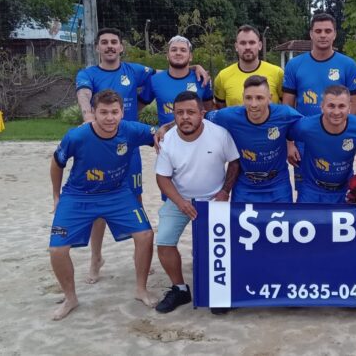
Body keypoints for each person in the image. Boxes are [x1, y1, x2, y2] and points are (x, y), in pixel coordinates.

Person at [75, 28, 210, 283]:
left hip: (129, 146)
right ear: (97, 48)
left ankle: (142, 257)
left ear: (121, 46)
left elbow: (169, 72)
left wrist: (196, 67)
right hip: (99, 144)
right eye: (104, 43)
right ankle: (96, 257)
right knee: (98, 204)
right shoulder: (88, 74)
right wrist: (88, 117)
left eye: (114, 42)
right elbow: (83, 94)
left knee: (135, 199)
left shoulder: (136, 71)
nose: (110, 47)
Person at [48, 90, 158, 320]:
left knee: (145, 234)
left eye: (114, 112)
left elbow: (160, 133)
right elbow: (57, 163)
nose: (110, 117)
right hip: (79, 195)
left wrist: (164, 134)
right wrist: (56, 196)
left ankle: (140, 288)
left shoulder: (131, 130)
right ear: (93, 113)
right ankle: (71, 298)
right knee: (57, 249)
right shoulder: (77, 136)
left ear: (122, 112)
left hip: (117, 193)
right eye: (104, 112)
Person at [154, 91, 240, 315]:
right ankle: (180, 288)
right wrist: (180, 202)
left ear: (202, 114)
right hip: (181, 199)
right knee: (163, 241)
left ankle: (220, 290)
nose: (185, 117)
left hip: (213, 198)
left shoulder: (220, 134)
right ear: (173, 115)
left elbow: (234, 162)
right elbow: (162, 177)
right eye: (179, 113)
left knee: (223, 246)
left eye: (191, 112)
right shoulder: (168, 140)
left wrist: (224, 191)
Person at [282, 13, 356, 178]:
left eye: (328, 31)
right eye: (318, 31)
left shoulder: (348, 65)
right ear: (311, 34)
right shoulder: (294, 65)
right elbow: (287, 108)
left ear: (335, 34)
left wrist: (347, 132)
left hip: (338, 138)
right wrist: (289, 143)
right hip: (305, 140)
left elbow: (355, 103)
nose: (323, 35)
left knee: (340, 189)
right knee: (306, 192)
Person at [289, 85, 356, 203]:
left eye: (342, 106)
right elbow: (286, 131)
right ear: (322, 106)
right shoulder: (306, 126)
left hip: (346, 190)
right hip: (312, 190)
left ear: (349, 107)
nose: (336, 112)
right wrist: (289, 145)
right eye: (331, 106)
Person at [206, 75, 302, 203]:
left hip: (278, 186)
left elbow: (313, 126)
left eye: (259, 98)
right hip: (245, 187)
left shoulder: (285, 114)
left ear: (270, 99)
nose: (253, 104)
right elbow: (199, 117)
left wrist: (291, 142)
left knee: (284, 223)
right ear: (243, 98)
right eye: (248, 98)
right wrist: (170, 128)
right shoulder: (228, 116)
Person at [140, 35, 214, 126]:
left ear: (190, 56)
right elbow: (136, 107)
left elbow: (209, 112)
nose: (178, 53)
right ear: (167, 55)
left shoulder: (202, 79)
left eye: (183, 50)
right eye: (174, 50)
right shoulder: (154, 80)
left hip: (197, 137)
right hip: (167, 138)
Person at [213, 25, 284, 108]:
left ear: (260, 45)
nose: (247, 47)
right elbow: (220, 110)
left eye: (252, 42)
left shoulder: (277, 73)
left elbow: (286, 107)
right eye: (243, 43)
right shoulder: (223, 76)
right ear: (236, 46)